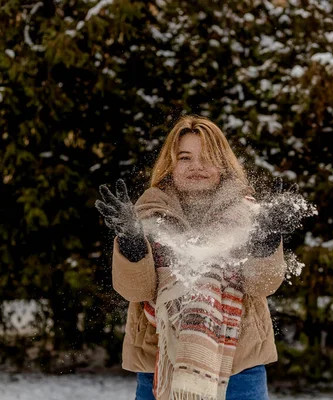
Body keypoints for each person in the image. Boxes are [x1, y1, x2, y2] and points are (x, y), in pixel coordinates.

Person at [95, 115, 304, 400]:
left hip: (239, 370)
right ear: (171, 164)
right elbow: (135, 290)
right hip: (159, 367)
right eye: (185, 157)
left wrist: (266, 240)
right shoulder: (147, 214)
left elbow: (261, 286)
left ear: (223, 163)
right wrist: (132, 242)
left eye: (207, 157)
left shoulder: (248, 215)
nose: (197, 166)